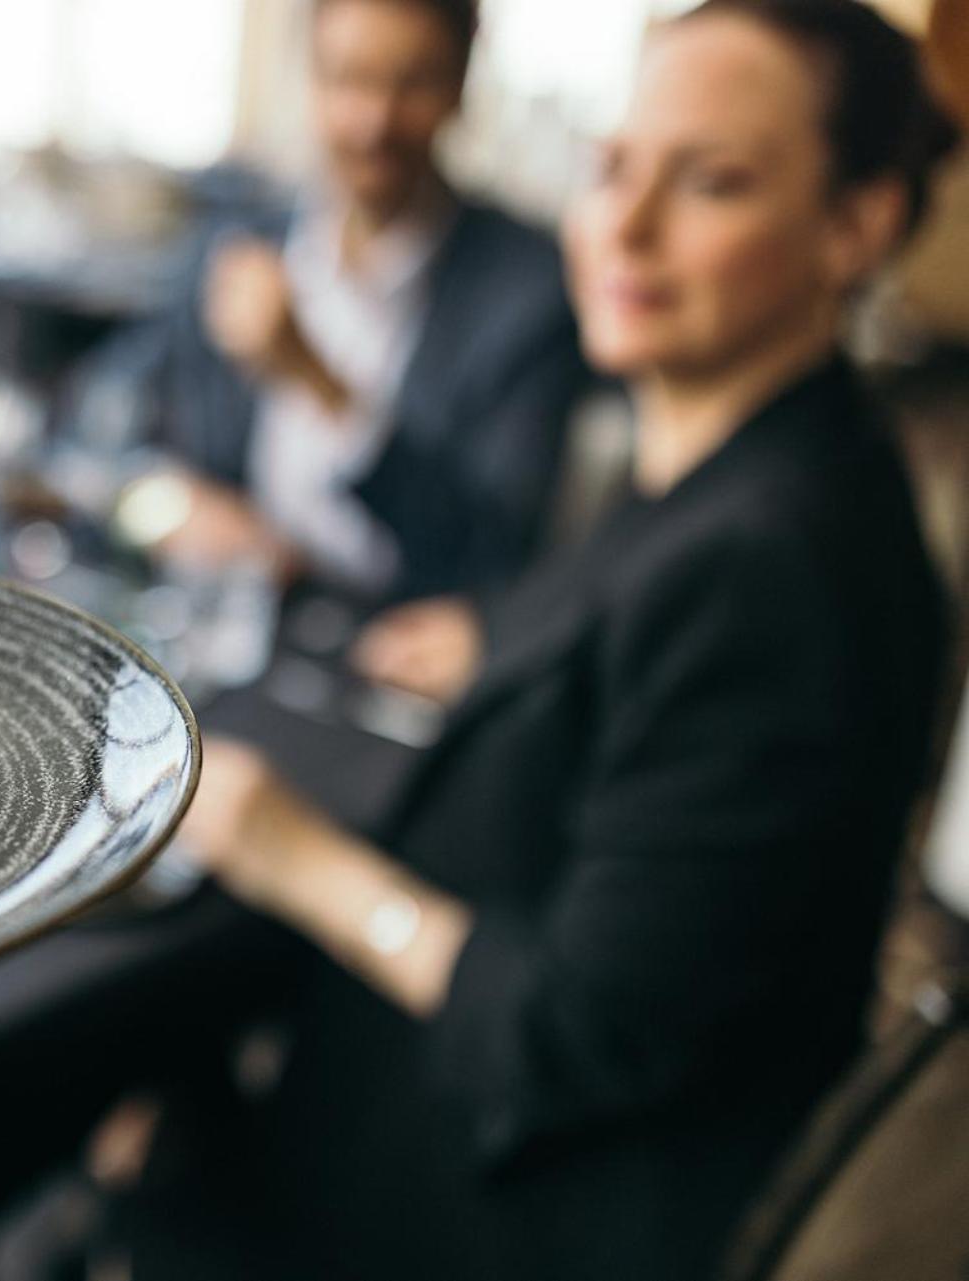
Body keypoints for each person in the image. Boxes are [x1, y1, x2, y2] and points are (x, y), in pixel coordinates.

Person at [169, 1, 958, 1277]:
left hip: (531, 1204)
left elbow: (573, 1036)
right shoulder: (741, 461)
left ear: (856, 226)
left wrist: (288, 855)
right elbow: (629, 618)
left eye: (711, 181)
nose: (623, 227)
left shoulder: (772, 564)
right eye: (611, 167)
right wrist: (504, 631)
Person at [105, 0, 588, 601]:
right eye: (351, 79)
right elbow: (105, 425)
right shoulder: (239, 243)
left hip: (388, 635)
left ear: (460, 85)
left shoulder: (527, 289)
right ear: (312, 79)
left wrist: (316, 380)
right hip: (226, 616)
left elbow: (490, 551)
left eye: (412, 83)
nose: (374, 123)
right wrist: (167, 508)